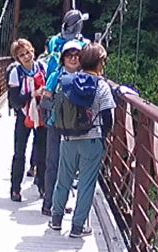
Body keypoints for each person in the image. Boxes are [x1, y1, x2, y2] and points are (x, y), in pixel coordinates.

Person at [49, 43, 115, 238]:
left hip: (68, 138)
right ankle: (78, 227)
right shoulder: (102, 86)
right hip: (92, 140)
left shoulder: (68, 80)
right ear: (100, 62)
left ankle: (56, 219)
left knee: (64, 179)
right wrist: (103, 136)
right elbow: (108, 117)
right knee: (86, 184)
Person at [39, 39, 84, 217]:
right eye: (69, 55)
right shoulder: (55, 76)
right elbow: (45, 99)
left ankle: (62, 201)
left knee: (70, 167)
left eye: (76, 55)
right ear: (63, 58)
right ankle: (49, 202)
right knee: (53, 163)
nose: (73, 59)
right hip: (56, 126)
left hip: (75, 127)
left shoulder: (85, 78)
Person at [7, 39, 48, 201]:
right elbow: (14, 100)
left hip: (41, 115)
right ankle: (15, 189)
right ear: (17, 58)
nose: (27, 56)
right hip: (24, 116)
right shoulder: (15, 73)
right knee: (19, 153)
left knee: (42, 153)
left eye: (28, 52)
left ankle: (43, 187)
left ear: (34, 51)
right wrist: (32, 94)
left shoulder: (42, 68)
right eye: (22, 55)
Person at [43, 9, 88, 76]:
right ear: (78, 25)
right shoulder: (83, 44)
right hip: (74, 79)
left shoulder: (52, 40)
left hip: (51, 77)